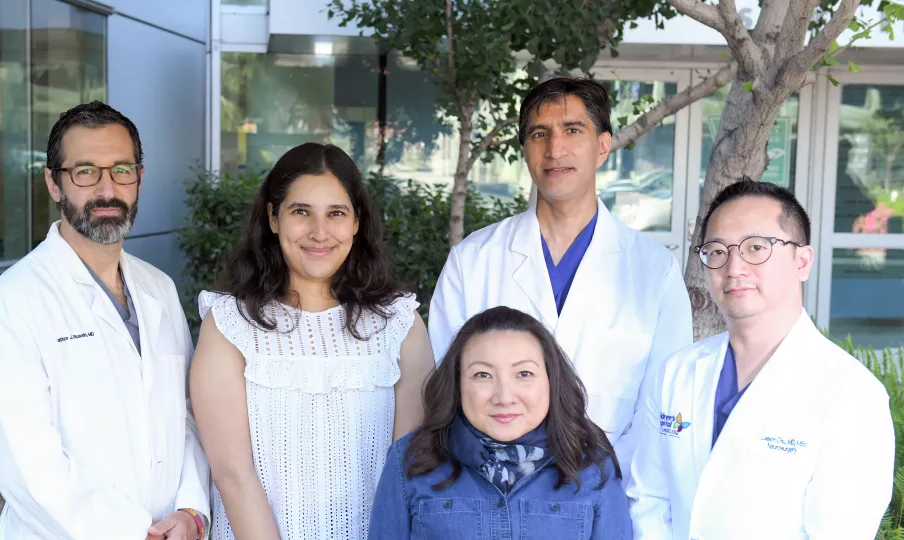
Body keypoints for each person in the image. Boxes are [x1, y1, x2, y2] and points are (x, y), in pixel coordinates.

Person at [0, 101, 210, 539]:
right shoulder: (12, 305)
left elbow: (188, 416)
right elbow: (29, 469)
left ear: (139, 177)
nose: (107, 188)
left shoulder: (160, 289)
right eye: (85, 172)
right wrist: (138, 533)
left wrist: (192, 510)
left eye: (121, 169)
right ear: (53, 183)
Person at [428, 77, 693, 484]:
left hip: (611, 491)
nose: (555, 149)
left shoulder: (654, 270)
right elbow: (447, 394)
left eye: (572, 130)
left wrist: (611, 492)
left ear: (603, 145)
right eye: (540, 134)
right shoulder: (473, 260)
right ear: (525, 150)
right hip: (489, 494)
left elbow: (663, 408)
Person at [189, 142, 435, 539]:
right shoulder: (229, 324)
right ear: (273, 218)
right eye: (301, 212)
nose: (319, 233)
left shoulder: (400, 324)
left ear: (356, 221)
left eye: (336, 213)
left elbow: (407, 471)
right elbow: (232, 473)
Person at [627, 179, 894, 539]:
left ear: (802, 261)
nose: (734, 267)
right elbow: (649, 500)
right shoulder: (676, 373)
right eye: (718, 250)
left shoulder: (852, 396)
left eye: (756, 247)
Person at [369, 306, 632, 540]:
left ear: (551, 381)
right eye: (482, 374)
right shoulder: (411, 461)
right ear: (458, 383)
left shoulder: (591, 465)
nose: (504, 397)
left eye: (524, 373)